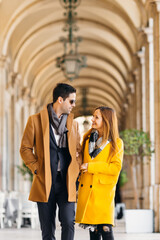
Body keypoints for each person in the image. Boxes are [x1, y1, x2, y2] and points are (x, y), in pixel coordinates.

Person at [20, 83, 82, 240]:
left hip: (66, 182)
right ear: (60, 100)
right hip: (44, 181)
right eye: (71, 101)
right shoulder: (35, 121)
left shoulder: (73, 125)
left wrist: (76, 169)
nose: (74, 105)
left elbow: (78, 152)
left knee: (68, 222)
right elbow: (25, 148)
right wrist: (36, 168)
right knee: (47, 229)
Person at [75, 106, 124, 240]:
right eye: (93, 116)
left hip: (104, 194)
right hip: (88, 192)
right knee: (94, 233)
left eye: (97, 117)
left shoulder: (116, 143)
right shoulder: (87, 139)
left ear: (106, 120)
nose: (92, 119)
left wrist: (91, 166)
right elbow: (82, 163)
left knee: (106, 230)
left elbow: (115, 168)